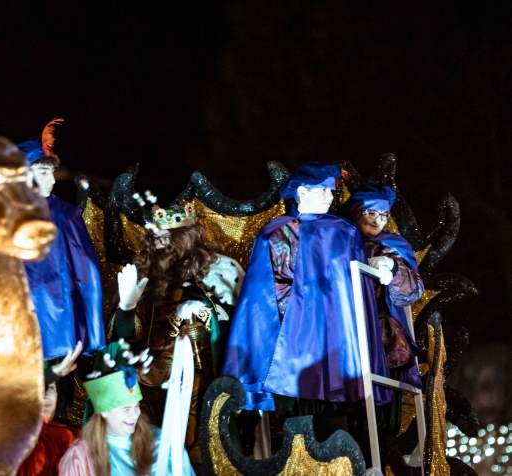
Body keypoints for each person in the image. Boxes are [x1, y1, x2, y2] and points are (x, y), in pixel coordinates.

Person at [223, 162, 392, 423]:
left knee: (336, 420)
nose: (329, 197)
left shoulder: (344, 231)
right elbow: (265, 289)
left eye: (330, 191)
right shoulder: (278, 231)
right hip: (291, 341)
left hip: (335, 336)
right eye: (322, 190)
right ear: (301, 192)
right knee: (298, 418)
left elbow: (354, 289)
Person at [108, 202, 243, 463]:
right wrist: (126, 309)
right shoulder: (141, 274)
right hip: (145, 383)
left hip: (196, 381)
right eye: (154, 238)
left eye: (166, 238)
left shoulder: (222, 270)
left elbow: (236, 329)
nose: (158, 245)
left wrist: (203, 310)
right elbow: (122, 337)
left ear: (186, 239)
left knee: (198, 450)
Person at [17, 119, 105, 361]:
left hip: (60, 332)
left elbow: (87, 275)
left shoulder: (66, 215)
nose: (52, 179)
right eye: (43, 172)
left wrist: (89, 328)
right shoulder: (4, 220)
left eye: (51, 172)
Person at [58, 342, 195, 476]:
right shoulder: (80, 456)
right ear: (104, 411)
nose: (135, 414)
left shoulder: (161, 442)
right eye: (126, 409)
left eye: (137, 406)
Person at [339, 183, 424, 390]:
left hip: (384, 337)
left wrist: (393, 268)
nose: (379, 220)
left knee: (385, 405)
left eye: (384, 215)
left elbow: (415, 287)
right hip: (344, 329)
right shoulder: (338, 240)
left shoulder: (392, 245)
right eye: (372, 213)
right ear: (356, 212)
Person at [17, 344, 82, 476]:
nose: (45, 395)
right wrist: (50, 374)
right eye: (38, 389)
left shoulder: (71, 438)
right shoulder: (9, 441)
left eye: (51, 388)